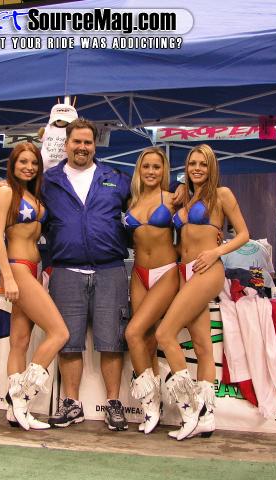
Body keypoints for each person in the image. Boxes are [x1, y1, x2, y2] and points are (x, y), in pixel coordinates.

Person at [42, 118, 132, 431]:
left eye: (87, 142)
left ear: (95, 145)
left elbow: (144, 206)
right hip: (66, 270)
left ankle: (113, 403)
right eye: (77, 142)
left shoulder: (116, 179)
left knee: (112, 342)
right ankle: (72, 404)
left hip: (110, 269)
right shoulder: (48, 181)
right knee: (68, 342)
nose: (82, 147)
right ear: (66, 144)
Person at [155, 144, 248, 441]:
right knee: (202, 345)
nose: (197, 168)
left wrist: (216, 251)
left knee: (164, 334)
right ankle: (207, 416)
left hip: (207, 270)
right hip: (183, 271)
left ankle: (190, 410)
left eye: (203, 164)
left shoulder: (222, 195)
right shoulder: (184, 195)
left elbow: (244, 234)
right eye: (192, 163)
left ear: (212, 168)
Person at [0, 142, 69, 431]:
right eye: (23, 161)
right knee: (59, 333)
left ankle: (14, 411)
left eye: (34, 163)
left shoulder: (33, 194)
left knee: (20, 341)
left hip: (33, 269)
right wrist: (7, 276)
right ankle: (21, 397)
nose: (29, 167)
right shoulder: (6, 192)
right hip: (18, 269)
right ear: (12, 164)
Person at [123, 147, 179, 434]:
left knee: (132, 332)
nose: (151, 172)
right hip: (138, 273)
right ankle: (153, 403)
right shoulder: (131, 201)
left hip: (165, 272)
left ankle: (152, 403)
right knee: (144, 340)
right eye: (146, 166)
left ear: (164, 170)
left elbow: (200, 219)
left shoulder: (173, 198)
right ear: (139, 170)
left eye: (157, 167)